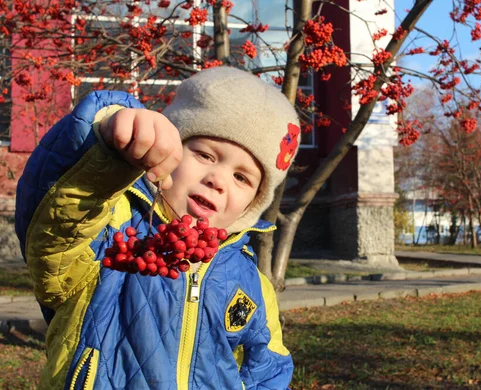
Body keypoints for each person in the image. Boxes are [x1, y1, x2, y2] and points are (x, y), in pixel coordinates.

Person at [15, 66, 301, 389]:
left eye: (241, 177)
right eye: (205, 155)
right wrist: (106, 147)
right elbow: (53, 226)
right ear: (168, 151)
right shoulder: (113, 228)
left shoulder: (252, 283)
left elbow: (269, 371)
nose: (218, 180)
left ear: (254, 203)